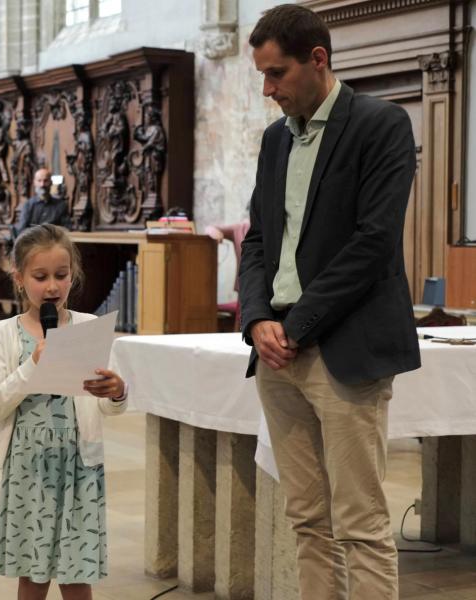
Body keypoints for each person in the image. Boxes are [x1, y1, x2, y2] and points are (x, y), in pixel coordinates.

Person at [239, 5, 419, 599]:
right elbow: (260, 238)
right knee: (308, 521)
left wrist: (300, 323)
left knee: (360, 525)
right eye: (263, 76)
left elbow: (374, 243)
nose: (269, 90)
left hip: (345, 346)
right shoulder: (274, 141)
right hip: (277, 351)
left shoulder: (381, 124)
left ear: (318, 59)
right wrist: (259, 317)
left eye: (278, 74)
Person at [0, 224, 128, 599]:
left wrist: (116, 393)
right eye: (40, 276)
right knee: (33, 573)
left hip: (79, 464)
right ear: (19, 278)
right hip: (29, 465)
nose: (52, 287)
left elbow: (107, 406)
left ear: (72, 276)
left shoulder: (88, 327)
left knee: (77, 573)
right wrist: (32, 363)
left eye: (61, 276)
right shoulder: (4, 333)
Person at [13, 169, 71, 237]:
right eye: (39, 180)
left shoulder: (61, 205)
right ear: (34, 182)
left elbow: (67, 229)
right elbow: (21, 230)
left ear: (51, 182)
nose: (42, 184)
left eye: (45, 181)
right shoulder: (28, 205)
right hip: (33, 244)